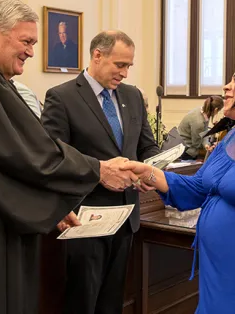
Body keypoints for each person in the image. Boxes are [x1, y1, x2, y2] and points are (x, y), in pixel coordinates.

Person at [0, 0, 139, 314]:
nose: (32, 51)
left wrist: (50, 201)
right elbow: (26, 151)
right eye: (26, 41)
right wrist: (96, 169)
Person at [122, 57, 235, 314]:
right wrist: (150, 174)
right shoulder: (231, 138)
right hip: (216, 280)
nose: (226, 87)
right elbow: (198, 189)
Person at [41, 30, 160, 314]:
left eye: (129, 65)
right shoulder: (62, 97)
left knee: (112, 302)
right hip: (85, 219)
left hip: (126, 218)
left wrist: (151, 170)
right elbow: (52, 158)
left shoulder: (132, 96)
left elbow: (147, 147)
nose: (125, 73)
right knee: (82, 302)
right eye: (120, 65)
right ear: (97, 56)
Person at [178, 95, 224, 159]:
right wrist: (207, 146)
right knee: (214, 156)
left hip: (186, 143)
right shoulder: (199, 122)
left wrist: (206, 144)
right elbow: (196, 144)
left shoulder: (201, 110)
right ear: (216, 110)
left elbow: (203, 133)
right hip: (186, 149)